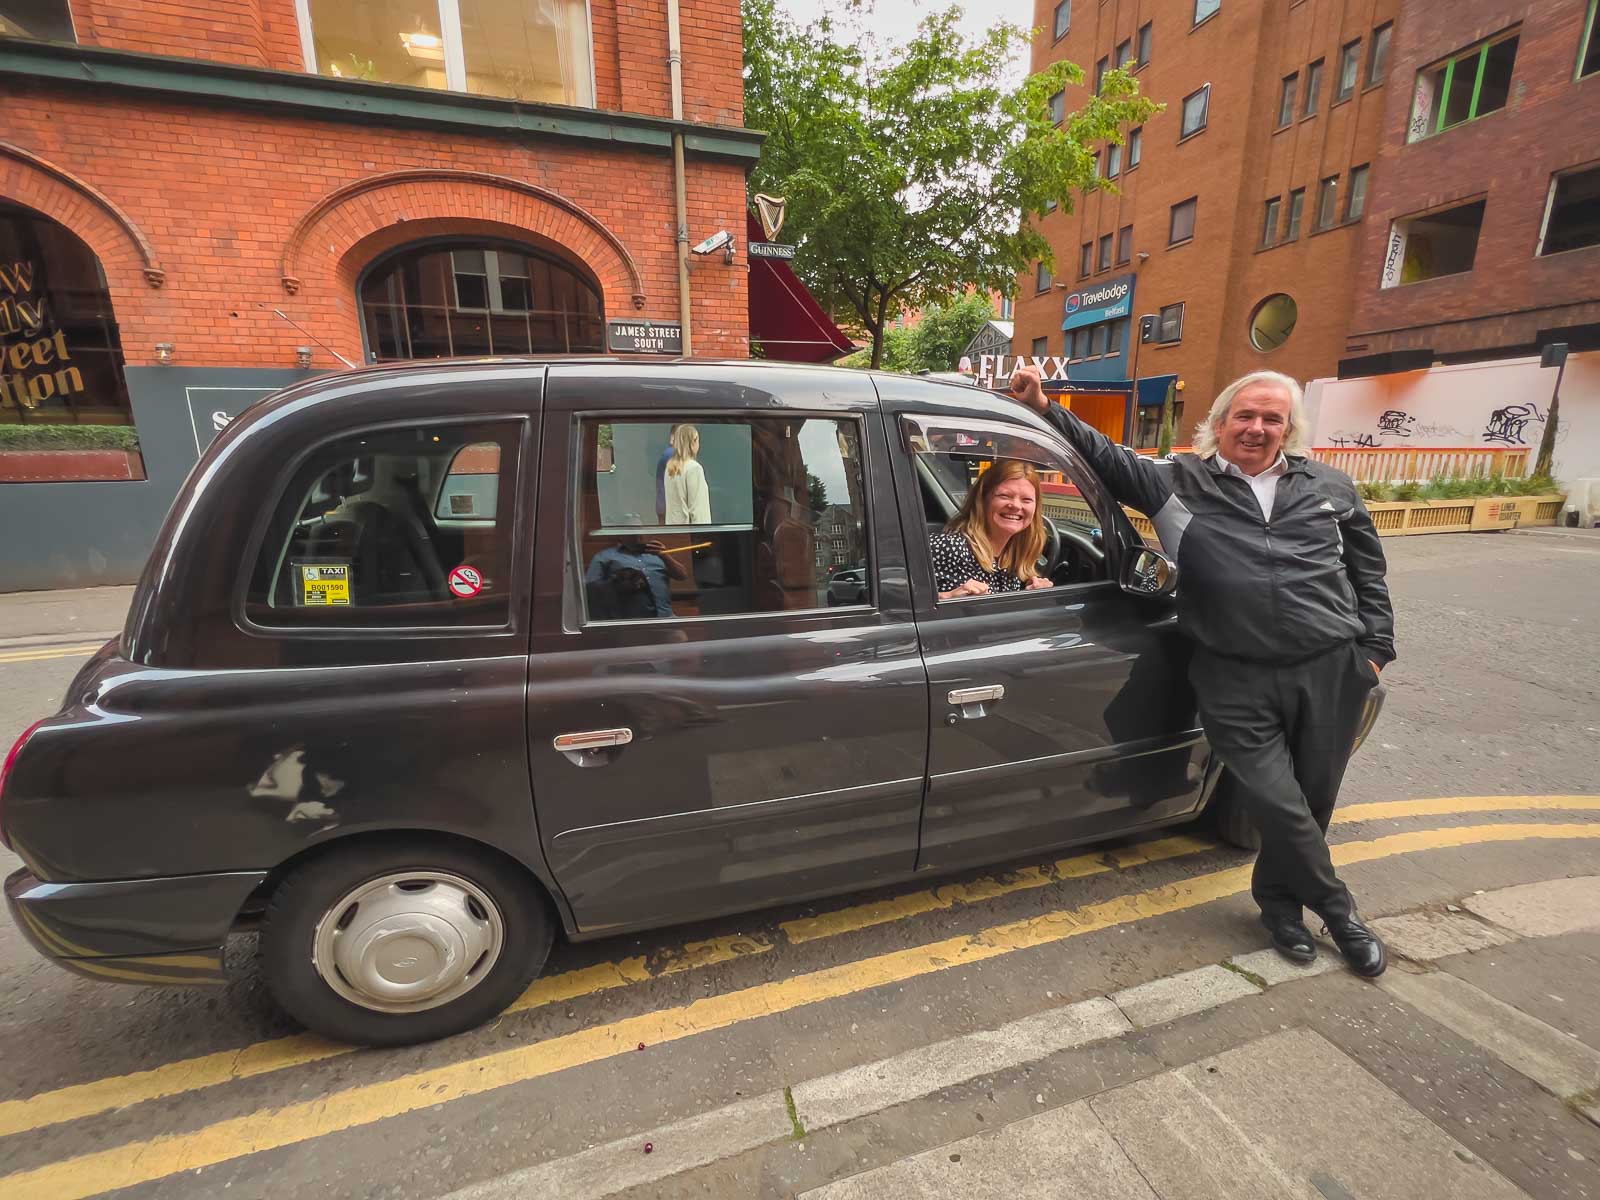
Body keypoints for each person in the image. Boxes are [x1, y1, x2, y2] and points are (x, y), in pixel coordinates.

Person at [1008, 364, 1395, 977]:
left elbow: (1367, 574)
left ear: (1289, 428)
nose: (1258, 428)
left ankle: (1281, 912)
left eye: (1273, 418)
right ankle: (1340, 912)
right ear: (1218, 424)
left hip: (1329, 667)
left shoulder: (1331, 487)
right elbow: (1105, 455)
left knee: (1312, 799)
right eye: (1245, 415)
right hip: (1232, 673)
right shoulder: (1176, 482)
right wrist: (1047, 406)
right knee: (1277, 799)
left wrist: (1373, 653)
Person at [930, 459, 1056, 599]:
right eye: (1004, 496)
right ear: (982, 500)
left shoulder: (1016, 556)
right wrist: (945, 597)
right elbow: (903, 604)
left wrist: (1038, 593)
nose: (1015, 505)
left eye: (1026, 500)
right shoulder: (948, 547)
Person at [584, 537, 688, 619]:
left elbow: (682, 575)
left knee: (682, 642)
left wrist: (664, 556)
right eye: (633, 530)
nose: (638, 534)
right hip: (629, 621)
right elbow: (591, 590)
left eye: (640, 529)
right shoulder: (605, 557)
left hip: (665, 617)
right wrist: (618, 584)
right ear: (620, 534)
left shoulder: (656, 554)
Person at [664, 424, 711, 524]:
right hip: (690, 535)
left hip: (673, 532)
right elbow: (698, 511)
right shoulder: (694, 468)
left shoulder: (670, 468)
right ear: (693, 442)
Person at [654, 425, 679, 523]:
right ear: (673, 436)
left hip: (664, 506)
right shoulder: (671, 455)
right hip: (668, 508)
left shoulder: (669, 453)